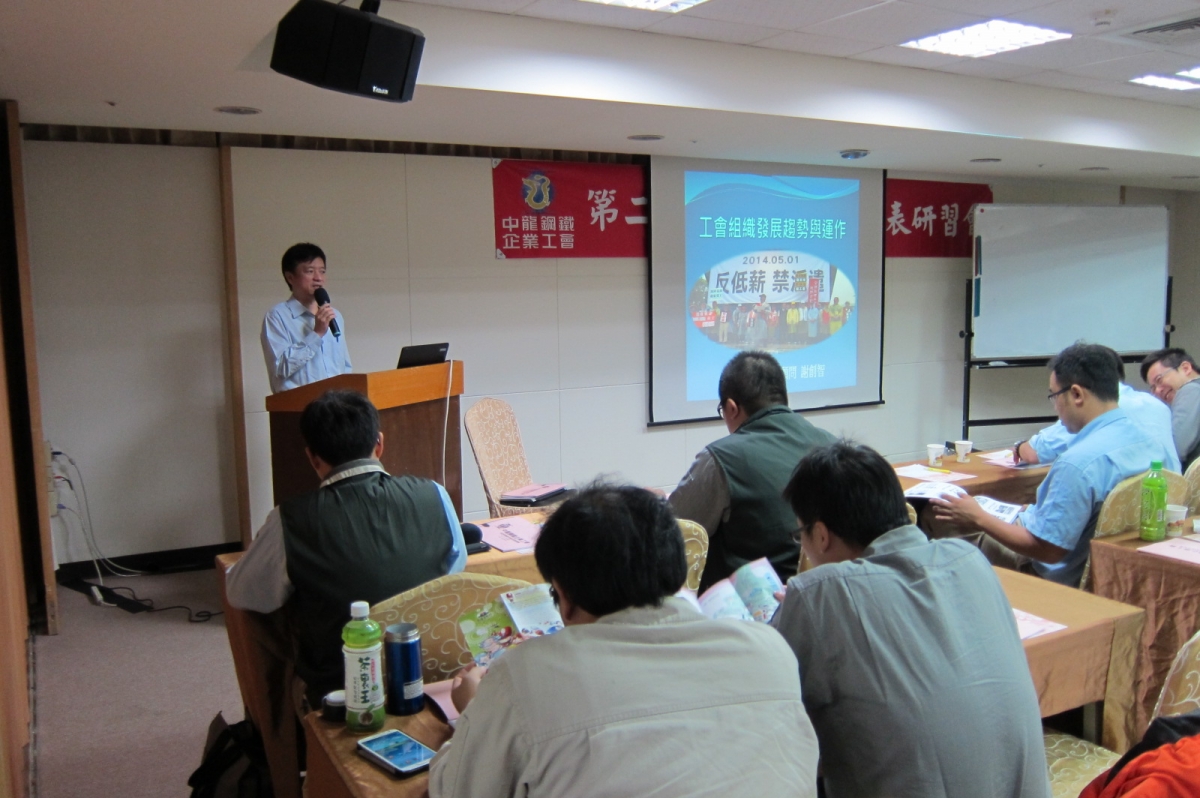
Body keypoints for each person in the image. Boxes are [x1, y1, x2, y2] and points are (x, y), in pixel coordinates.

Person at [429, 484, 819, 798]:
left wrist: (475, 711)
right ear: (675, 571)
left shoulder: (523, 678)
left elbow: (454, 789)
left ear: (563, 596)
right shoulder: (770, 649)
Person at [771, 441, 1050, 798]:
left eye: (801, 534)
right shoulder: (969, 558)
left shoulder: (821, 594)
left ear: (821, 535)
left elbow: (769, 708)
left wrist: (795, 610)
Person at [226, 390, 466, 706]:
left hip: (344, 693)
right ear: (379, 443)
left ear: (312, 457)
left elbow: (241, 593)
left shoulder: (291, 520)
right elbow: (455, 567)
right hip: (431, 674)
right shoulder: (434, 494)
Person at [933, 343, 1173, 587]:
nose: (1055, 406)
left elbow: (1047, 550)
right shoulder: (1150, 444)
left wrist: (978, 518)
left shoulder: (1078, 464)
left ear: (1076, 394)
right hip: (1112, 571)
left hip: (1047, 573)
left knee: (938, 517)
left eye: (1054, 396)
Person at [670, 351, 834, 591]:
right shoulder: (834, 446)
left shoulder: (720, 458)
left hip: (748, 605)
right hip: (821, 594)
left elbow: (671, 531)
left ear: (731, 407)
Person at [1017, 346, 1178, 470]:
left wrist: (1018, 448)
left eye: (1055, 395)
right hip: (1170, 499)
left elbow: (1034, 452)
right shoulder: (1158, 405)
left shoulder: (1096, 412)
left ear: (1077, 392)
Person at [261, 242, 353, 394]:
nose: (318, 278)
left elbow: (344, 366)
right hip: (299, 405)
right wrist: (316, 334)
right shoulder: (277, 316)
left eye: (322, 271)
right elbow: (280, 368)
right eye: (310, 271)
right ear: (290, 277)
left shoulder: (335, 316)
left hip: (336, 403)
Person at [1141, 347, 1200, 470]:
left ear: (1186, 368)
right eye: (1153, 388)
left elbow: (1175, 451)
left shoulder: (1190, 390)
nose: (1158, 391)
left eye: (1159, 380)